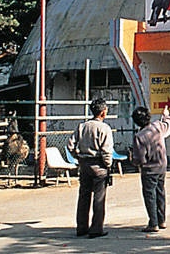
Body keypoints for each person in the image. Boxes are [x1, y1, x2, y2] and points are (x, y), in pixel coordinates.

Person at [67, 98, 113, 238]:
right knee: (99, 198)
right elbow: (107, 151)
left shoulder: (82, 126)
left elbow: (70, 145)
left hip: (84, 164)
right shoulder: (104, 128)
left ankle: (81, 227)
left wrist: (78, 157)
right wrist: (108, 165)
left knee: (84, 196)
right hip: (99, 165)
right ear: (103, 112)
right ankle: (96, 228)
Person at [131, 104, 170, 233]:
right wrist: (166, 115)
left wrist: (132, 159)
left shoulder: (139, 137)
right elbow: (168, 124)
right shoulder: (157, 126)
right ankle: (162, 220)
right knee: (160, 192)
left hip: (149, 169)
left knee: (150, 195)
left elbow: (139, 159)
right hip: (162, 165)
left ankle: (153, 223)